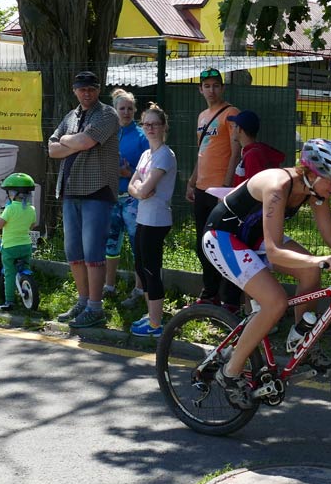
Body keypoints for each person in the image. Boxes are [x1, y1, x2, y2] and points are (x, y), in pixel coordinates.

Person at [201, 138, 331, 408]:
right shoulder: (277, 186)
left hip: (253, 237)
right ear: (311, 174)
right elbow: (275, 251)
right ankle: (230, 372)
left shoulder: (315, 192)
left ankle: (301, 340)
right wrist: (318, 259)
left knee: (311, 273)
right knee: (275, 302)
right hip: (222, 237)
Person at [48, 70, 120, 329]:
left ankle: (95, 307)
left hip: (97, 192)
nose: (87, 93)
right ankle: (83, 301)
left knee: (93, 253)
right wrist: (73, 142)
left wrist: (68, 140)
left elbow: (86, 141)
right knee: (74, 253)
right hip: (70, 191)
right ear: (75, 90)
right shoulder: (71, 116)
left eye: (91, 89)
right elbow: (52, 149)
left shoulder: (107, 114)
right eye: (82, 89)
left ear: (98, 89)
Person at [185, 68, 241, 309]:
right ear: (200, 90)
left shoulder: (231, 113)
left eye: (216, 85)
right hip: (201, 189)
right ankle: (210, 294)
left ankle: (231, 300)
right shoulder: (201, 116)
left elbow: (236, 152)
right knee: (203, 244)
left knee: (224, 244)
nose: (211, 90)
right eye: (207, 86)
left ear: (222, 88)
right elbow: (202, 151)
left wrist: (226, 189)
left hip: (221, 191)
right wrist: (192, 181)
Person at [126, 104, 178, 337]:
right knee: (141, 266)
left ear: (164, 127)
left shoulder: (165, 155)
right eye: (146, 124)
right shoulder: (146, 155)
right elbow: (133, 186)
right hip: (143, 218)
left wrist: (139, 190)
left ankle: (156, 325)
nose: (150, 128)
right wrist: (139, 191)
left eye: (155, 124)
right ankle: (152, 314)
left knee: (151, 270)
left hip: (157, 220)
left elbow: (144, 187)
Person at [103, 88, 150, 308]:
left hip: (133, 200)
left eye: (130, 108)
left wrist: (127, 173)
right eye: (122, 108)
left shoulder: (142, 136)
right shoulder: (108, 134)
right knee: (111, 243)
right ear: (115, 110)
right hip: (112, 197)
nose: (126, 112)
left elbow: (149, 171)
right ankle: (109, 286)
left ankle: (139, 289)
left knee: (137, 245)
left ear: (135, 110)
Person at [0, 172, 38, 311]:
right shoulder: (31, 209)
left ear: (13, 194)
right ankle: (27, 286)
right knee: (25, 267)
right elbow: (31, 226)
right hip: (26, 246)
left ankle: (9, 301)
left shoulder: (10, 208)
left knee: (9, 273)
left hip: (10, 247)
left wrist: (0, 213)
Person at [228, 110, 286, 186]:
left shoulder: (252, 155)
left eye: (234, 126)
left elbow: (253, 187)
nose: (232, 129)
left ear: (239, 129)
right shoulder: (252, 151)